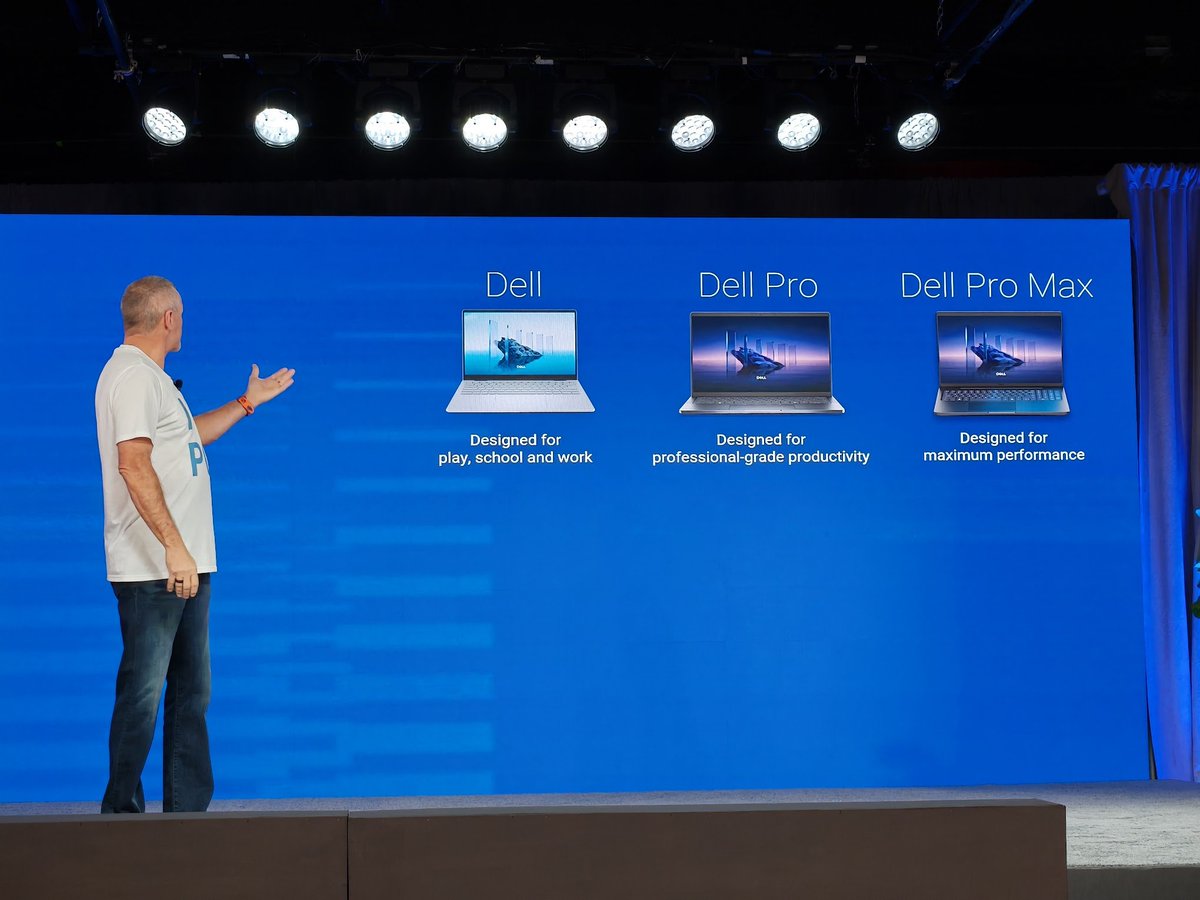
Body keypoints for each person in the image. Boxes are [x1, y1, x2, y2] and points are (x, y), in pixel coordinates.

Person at [95, 275, 294, 813]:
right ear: (168, 318)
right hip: (156, 569)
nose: (183, 322)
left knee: (191, 694)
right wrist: (174, 549)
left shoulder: (152, 380)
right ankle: (119, 820)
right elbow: (133, 464)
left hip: (184, 565)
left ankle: (186, 822)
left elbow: (186, 439)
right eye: (181, 314)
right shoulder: (133, 377)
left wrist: (246, 403)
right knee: (144, 694)